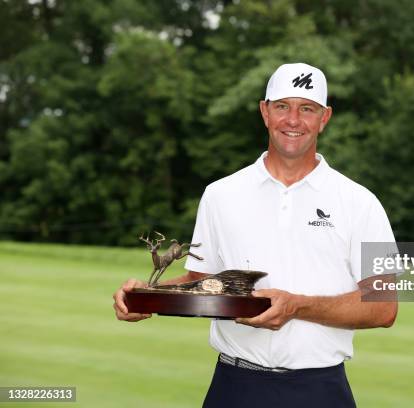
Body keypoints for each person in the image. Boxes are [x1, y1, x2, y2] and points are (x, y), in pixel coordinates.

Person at [113, 62, 398, 407]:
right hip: (234, 385)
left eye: (307, 108)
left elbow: (384, 307)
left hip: (319, 389)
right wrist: (146, 295)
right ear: (265, 112)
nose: (293, 120)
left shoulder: (361, 203)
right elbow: (202, 281)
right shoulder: (220, 194)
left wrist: (296, 306)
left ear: (324, 118)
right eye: (282, 106)